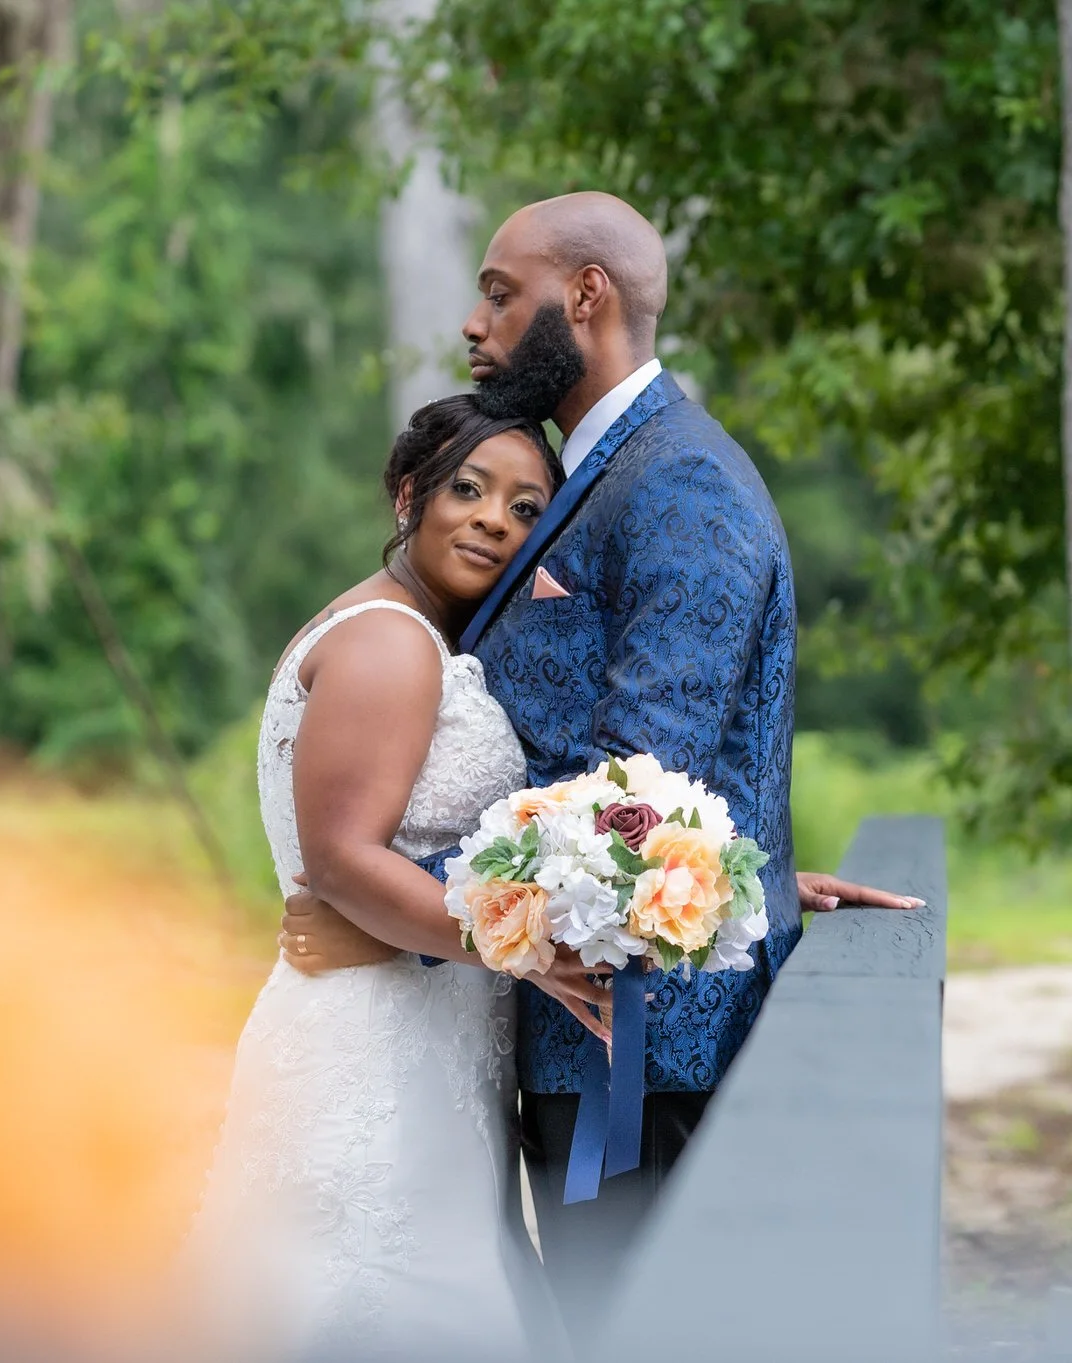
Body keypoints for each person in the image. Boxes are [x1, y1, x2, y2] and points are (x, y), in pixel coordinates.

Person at [274, 192, 919, 1350]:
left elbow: (635, 795)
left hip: (642, 1044)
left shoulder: (674, 480)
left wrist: (399, 923)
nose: (474, 326)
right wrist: (749, 860)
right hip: (571, 1022)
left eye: (498, 293)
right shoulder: (602, 468)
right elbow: (666, 784)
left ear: (585, 298)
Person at [182, 395, 589, 1362]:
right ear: (410, 495)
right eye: (470, 489)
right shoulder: (387, 641)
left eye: (528, 507)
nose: (497, 518)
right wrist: (529, 948)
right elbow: (345, 861)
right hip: (374, 1054)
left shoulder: (428, 638)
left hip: (428, 1050)